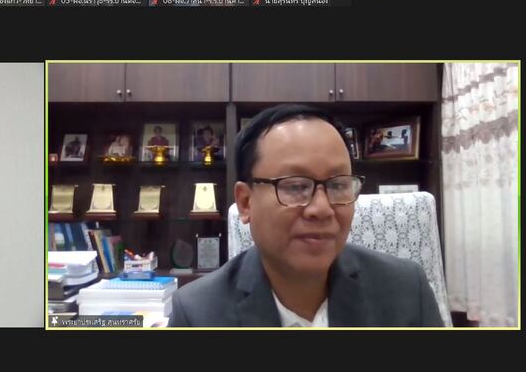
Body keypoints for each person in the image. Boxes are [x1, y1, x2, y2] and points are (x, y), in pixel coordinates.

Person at [170, 104, 442, 327]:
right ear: (245, 202)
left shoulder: (407, 291)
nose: (322, 209)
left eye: (338, 185)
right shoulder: (196, 314)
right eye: (295, 186)